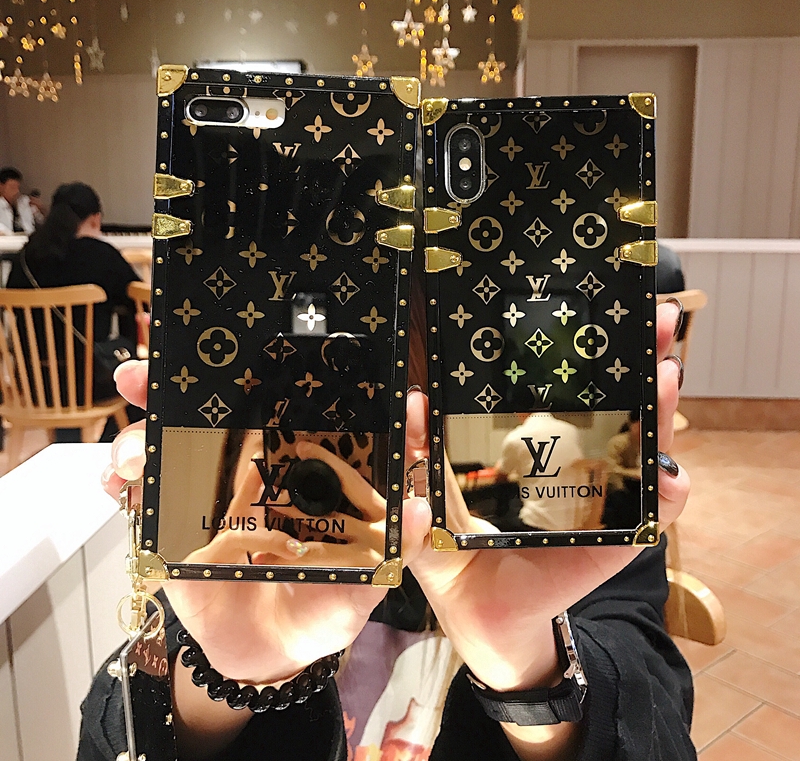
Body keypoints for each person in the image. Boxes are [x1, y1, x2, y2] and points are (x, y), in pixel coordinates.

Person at [80, 302, 690, 761]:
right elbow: (122, 716)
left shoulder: (580, 534)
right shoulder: (244, 531)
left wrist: (524, 666)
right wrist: (230, 682)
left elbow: (649, 699)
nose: (389, 453)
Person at [6, 182, 140, 435]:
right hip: (90, 383)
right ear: (95, 218)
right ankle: (108, 444)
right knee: (141, 377)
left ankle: (67, 442)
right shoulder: (101, 255)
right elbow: (136, 298)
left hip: (34, 385)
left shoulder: (25, 256)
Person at [0, 167, 35, 235]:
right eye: (12, 188)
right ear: (1, 187)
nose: (17, 191)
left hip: (28, 237)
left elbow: (41, 219)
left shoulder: (23, 201)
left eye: (18, 187)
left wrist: (40, 207)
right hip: (8, 239)